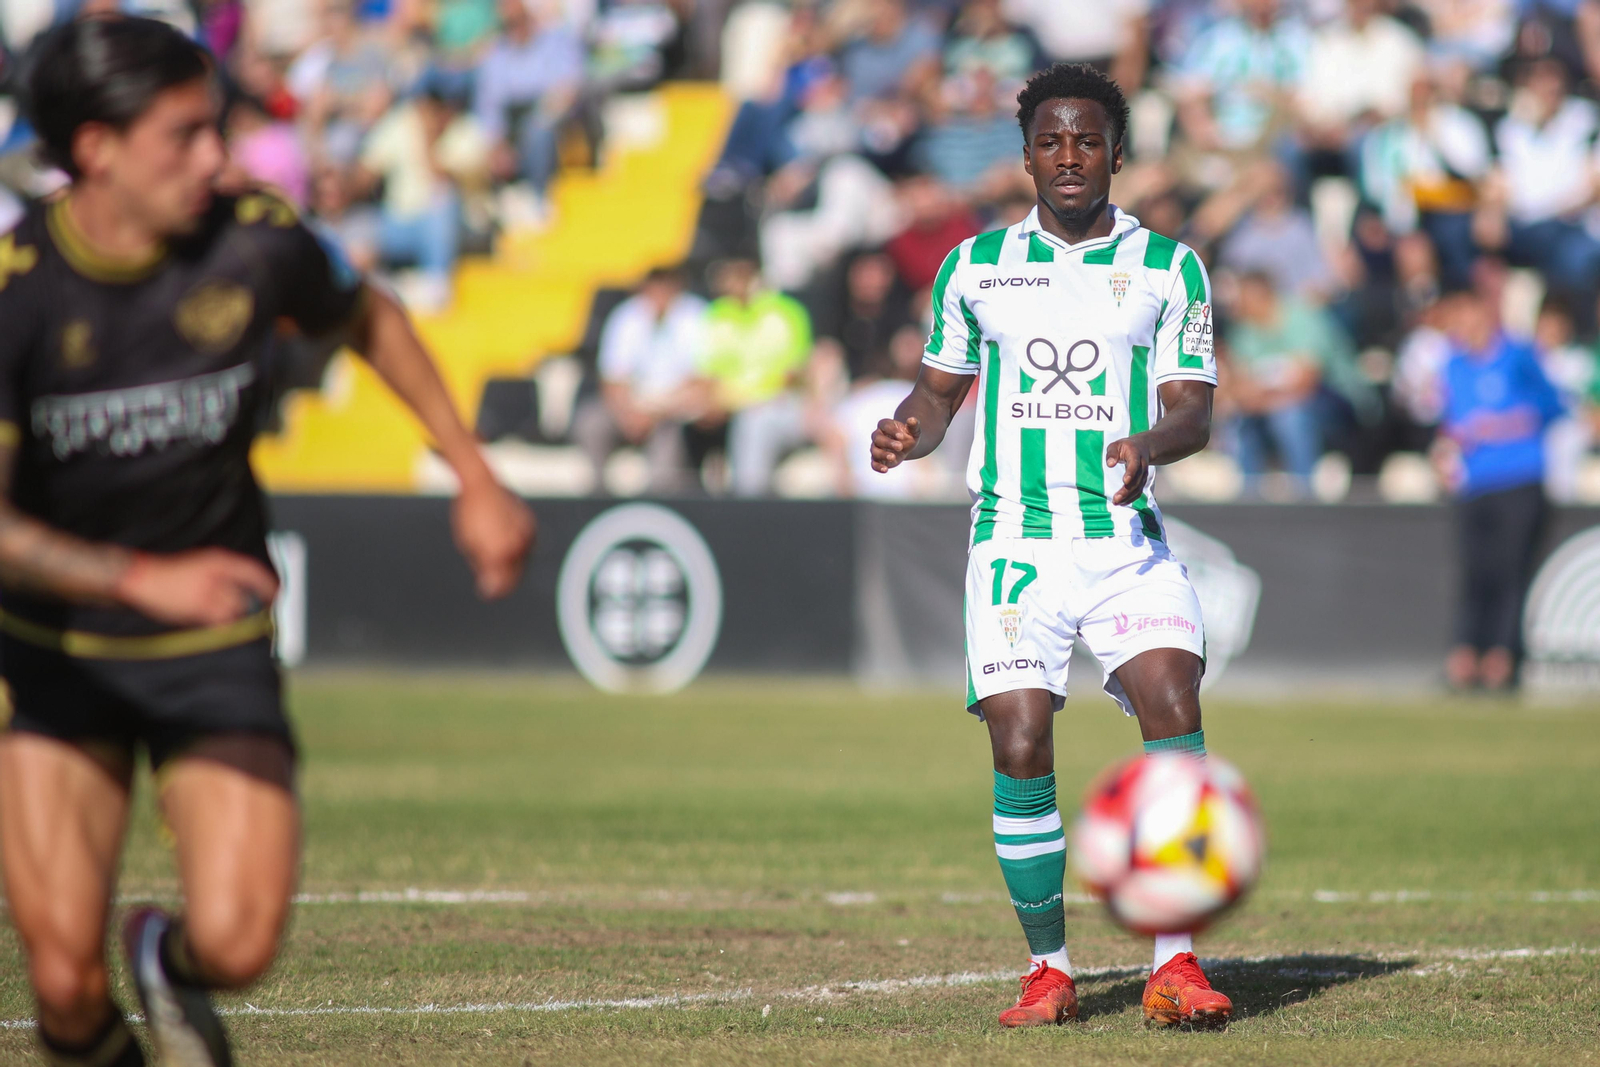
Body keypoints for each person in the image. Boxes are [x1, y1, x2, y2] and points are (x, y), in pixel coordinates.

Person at [0, 17, 534, 1067]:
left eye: (219, 130)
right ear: (97, 149)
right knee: (62, 983)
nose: (219, 157)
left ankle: (163, 951)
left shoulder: (255, 236)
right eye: (185, 136)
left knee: (240, 942)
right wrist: (140, 577)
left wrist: (472, 472)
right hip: (60, 653)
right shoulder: (19, 296)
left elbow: (367, 314)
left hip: (212, 645)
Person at [870, 63, 1232, 1030]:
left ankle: (1175, 960)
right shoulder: (974, 265)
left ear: (1119, 152)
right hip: (1013, 543)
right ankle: (1050, 968)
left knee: (1172, 701)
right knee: (1021, 736)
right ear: (1025, 156)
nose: (1069, 157)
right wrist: (906, 428)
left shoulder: (1168, 267)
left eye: (1087, 140)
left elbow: (1192, 412)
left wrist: (1146, 445)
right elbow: (939, 395)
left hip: (1122, 538)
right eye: (1050, 141)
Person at [1436, 289, 1564, 691]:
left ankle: (1502, 658)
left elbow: (1551, 406)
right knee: (1476, 572)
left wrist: (1506, 422)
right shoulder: (1453, 366)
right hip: (1475, 482)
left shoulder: (1518, 356)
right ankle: (1465, 653)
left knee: (1511, 572)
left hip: (1519, 477)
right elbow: (1452, 421)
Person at [571, 266, 712, 493]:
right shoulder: (626, 316)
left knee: (671, 435)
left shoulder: (695, 315)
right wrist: (628, 414)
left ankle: (661, 497)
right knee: (590, 423)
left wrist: (656, 412)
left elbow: (700, 380)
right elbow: (612, 378)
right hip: (632, 404)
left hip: (673, 407)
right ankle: (597, 495)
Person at [698, 257, 815, 497]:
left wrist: (735, 400)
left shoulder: (787, 313)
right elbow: (708, 374)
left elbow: (792, 377)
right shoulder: (717, 314)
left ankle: (749, 502)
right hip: (730, 405)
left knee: (754, 420)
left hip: (778, 405)